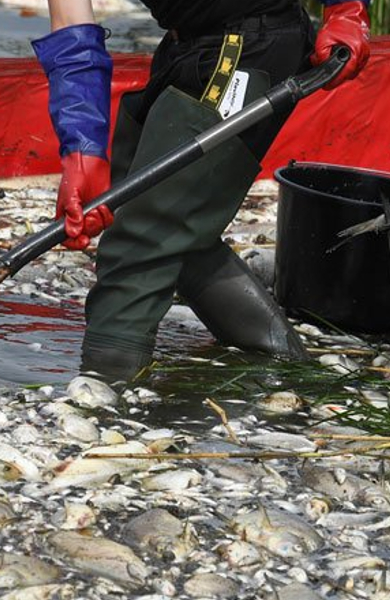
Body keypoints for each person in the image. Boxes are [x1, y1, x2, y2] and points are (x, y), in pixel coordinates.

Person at [34, 0, 372, 380]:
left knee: (142, 238)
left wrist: (346, 9)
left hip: (248, 38)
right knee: (161, 217)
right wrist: (81, 147)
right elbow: (71, 25)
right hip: (185, 46)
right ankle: (290, 374)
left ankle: (102, 397)